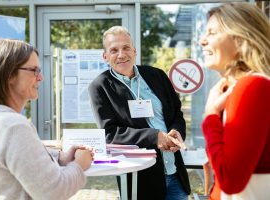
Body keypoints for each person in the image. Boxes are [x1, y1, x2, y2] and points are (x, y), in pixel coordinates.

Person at [0, 38, 93, 200]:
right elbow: (54, 192)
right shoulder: (13, 126)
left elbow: (24, 163)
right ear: (9, 75)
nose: (41, 78)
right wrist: (79, 165)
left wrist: (60, 158)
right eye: (34, 70)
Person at [88, 26, 190, 200]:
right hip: (141, 178)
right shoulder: (100, 87)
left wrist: (176, 132)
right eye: (114, 50)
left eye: (126, 48)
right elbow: (110, 134)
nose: (121, 54)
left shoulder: (157, 75)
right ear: (105, 56)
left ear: (134, 51)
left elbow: (176, 114)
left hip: (175, 172)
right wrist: (153, 137)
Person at [200, 3, 270, 200]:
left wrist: (211, 115)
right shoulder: (240, 87)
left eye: (212, 32)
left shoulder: (253, 87)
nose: (202, 40)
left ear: (240, 39)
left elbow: (230, 181)